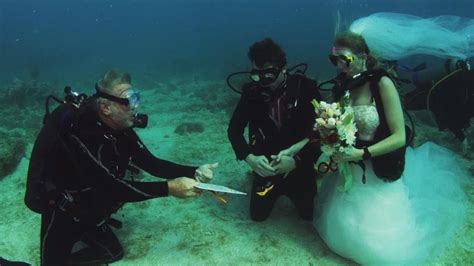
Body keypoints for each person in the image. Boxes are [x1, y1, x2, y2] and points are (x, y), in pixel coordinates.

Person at [308, 32, 470, 265]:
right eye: (334, 60)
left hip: (377, 168)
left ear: (362, 57)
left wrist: (362, 153)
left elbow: (399, 137)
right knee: (341, 226)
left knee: (382, 250)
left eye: (345, 60)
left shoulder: (382, 84)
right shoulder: (342, 86)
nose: (339, 66)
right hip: (351, 169)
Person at [26, 70, 218, 265]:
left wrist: (194, 171)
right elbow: (113, 188)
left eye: (136, 97)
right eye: (129, 100)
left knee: (113, 254)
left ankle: (84, 231)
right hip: (62, 211)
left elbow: (152, 164)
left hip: (90, 208)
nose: (136, 106)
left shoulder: (120, 129)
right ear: (106, 108)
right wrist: (169, 188)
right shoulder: (84, 135)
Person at [227, 38, 322, 222]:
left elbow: (321, 133)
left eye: (268, 75)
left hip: (299, 165)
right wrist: (249, 157)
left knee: (309, 215)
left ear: (283, 68)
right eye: (257, 74)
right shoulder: (251, 92)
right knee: (258, 216)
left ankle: (307, 178)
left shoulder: (306, 89)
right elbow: (234, 130)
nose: (263, 81)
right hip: (267, 167)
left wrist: (296, 162)